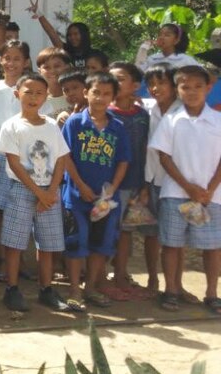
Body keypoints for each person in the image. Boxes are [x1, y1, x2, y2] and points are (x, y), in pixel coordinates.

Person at [149, 65, 221, 314]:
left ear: (208, 88)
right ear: (177, 90)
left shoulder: (218, 120)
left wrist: (209, 188)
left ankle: (212, 293)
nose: (191, 92)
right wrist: (188, 187)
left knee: (212, 246)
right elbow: (164, 156)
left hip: (212, 196)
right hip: (175, 194)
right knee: (171, 244)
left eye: (198, 87)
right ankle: (171, 290)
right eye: (185, 87)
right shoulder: (172, 120)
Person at [0, 73, 71, 313]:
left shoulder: (51, 126)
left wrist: (51, 191)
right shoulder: (11, 126)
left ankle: (46, 289)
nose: (34, 97)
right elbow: (15, 163)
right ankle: (12, 288)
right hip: (22, 190)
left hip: (50, 191)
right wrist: (39, 192)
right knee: (15, 242)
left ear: (46, 96)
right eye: (28, 91)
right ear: (17, 94)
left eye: (40, 92)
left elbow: (61, 158)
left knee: (48, 243)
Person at [61, 72, 129, 311]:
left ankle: (90, 288)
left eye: (106, 93)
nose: (100, 98)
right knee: (75, 242)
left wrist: (111, 190)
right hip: (76, 197)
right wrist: (80, 185)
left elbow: (122, 160)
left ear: (113, 96)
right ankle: (74, 291)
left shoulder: (117, 127)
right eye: (96, 92)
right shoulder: (74, 122)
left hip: (105, 201)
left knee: (100, 243)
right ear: (86, 93)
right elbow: (65, 156)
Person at [107, 62, 154, 300]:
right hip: (108, 184)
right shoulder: (105, 113)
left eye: (121, 78)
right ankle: (97, 279)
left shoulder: (142, 115)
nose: (114, 83)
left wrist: (144, 183)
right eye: (111, 78)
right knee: (106, 230)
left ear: (135, 85)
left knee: (126, 232)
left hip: (134, 182)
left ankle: (120, 275)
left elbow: (146, 149)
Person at [0, 40, 30, 280]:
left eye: (17, 59)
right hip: (0, 154)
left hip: (24, 155)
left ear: (26, 63)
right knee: (1, 209)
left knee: (22, 208)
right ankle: (3, 261)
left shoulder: (31, 88)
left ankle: (19, 260)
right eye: (7, 58)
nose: (11, 63)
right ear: (1, 60)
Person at [143, 64, 180, 297]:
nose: (156, 88)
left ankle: (175, 284)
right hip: (150, 178)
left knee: (173, 238)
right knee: (151, 233)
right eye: (152, 84)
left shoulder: (184, 112)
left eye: (162, 83)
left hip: (175, 182)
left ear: (174, 86)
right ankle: (152, 278)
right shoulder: (147, 109)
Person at [27, 0, 102, 69]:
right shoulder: (65, 51)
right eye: (69, 35)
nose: (72, 37)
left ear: (84, 34)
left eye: (76, 34)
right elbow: (51, 33)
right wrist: (39, 14)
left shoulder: (96, 54)